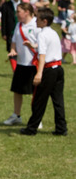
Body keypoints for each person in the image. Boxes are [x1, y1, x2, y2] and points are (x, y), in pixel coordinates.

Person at [20, 7, 67, 136]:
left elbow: (42, 55)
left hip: (48, 70)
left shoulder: (41, 34)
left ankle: (31, 128)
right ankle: (61, 128)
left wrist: (39, 73)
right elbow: (47, 47)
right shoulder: (53, 32)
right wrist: (32, 46)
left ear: (44, 21)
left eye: (38, 19)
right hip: (58, 69)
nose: (35, 21)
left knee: (39, 100)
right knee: (58, 100)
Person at [3, 3, 40, 126]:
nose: (16, 14)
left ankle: (36, 118)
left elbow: (42, 45)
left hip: (33, 64)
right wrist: (13, 50)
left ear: (27, 12)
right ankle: (16, 115)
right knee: (17, 91)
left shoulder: (36, 25)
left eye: (19, 11)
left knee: (35, 93)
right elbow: (13, 41)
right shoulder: (18, 25)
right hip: (21, 63)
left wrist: (33, 46)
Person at [0, 0, 22, 71]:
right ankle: (15, 69)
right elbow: (4, 20)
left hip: (22, 30)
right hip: (11, 31)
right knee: (11, 50)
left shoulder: (23, 5)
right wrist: (4, 33)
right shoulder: (6, 5)